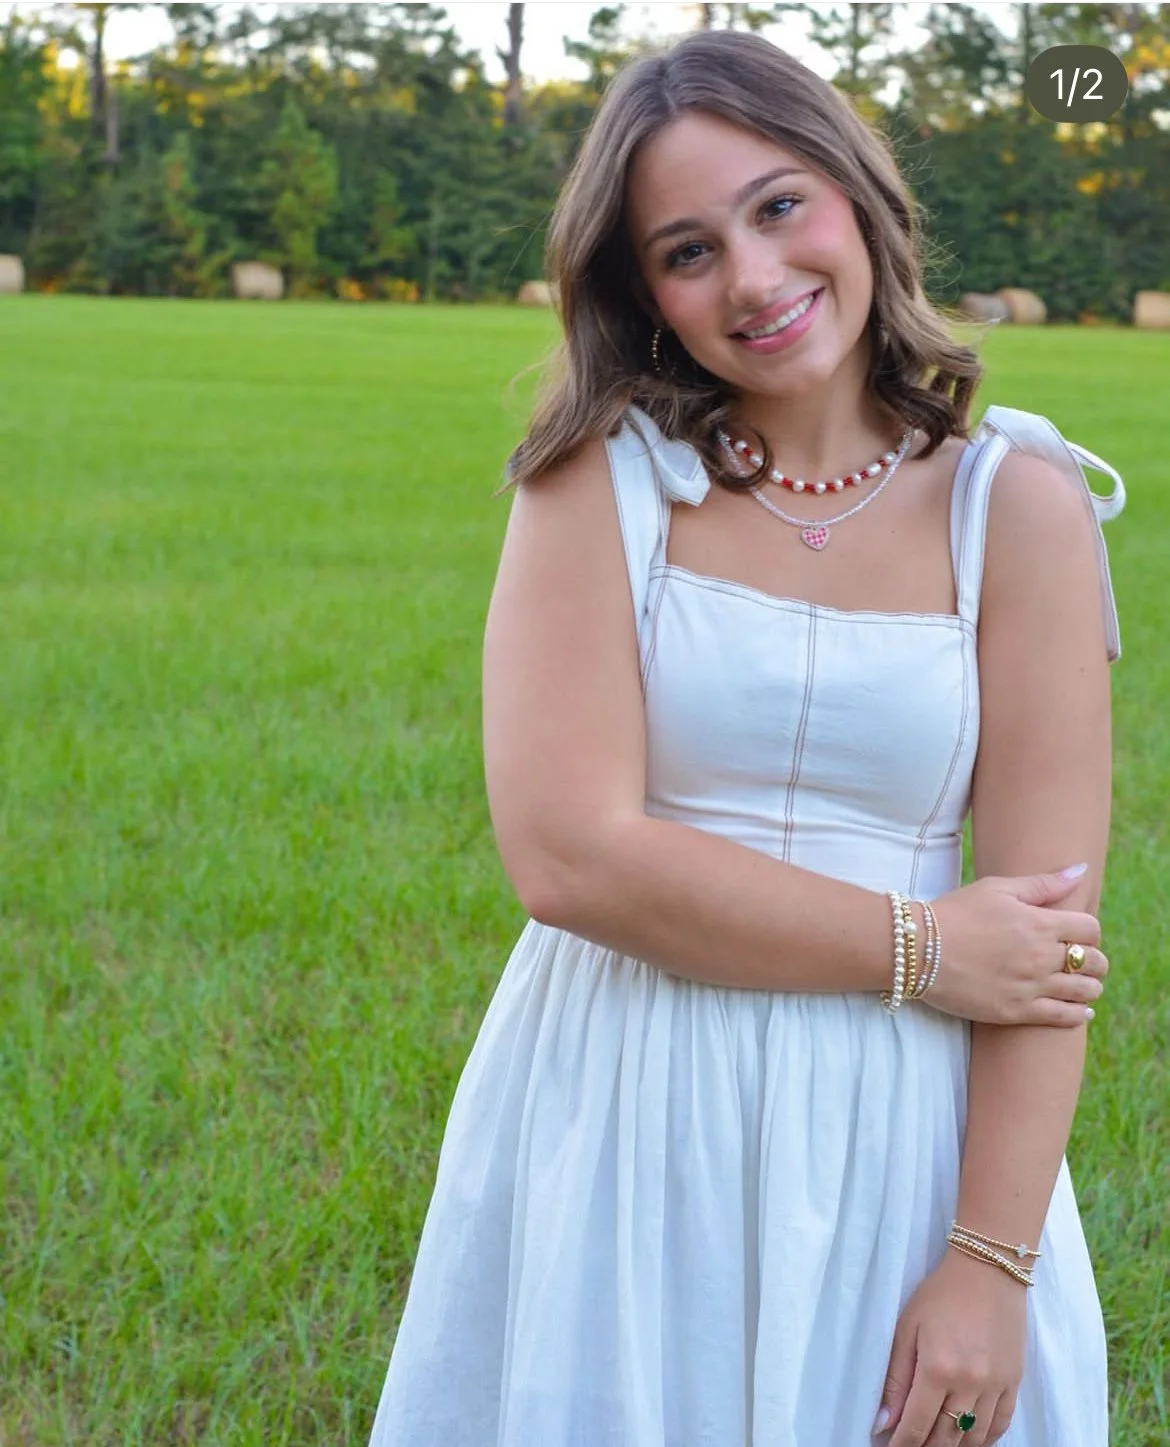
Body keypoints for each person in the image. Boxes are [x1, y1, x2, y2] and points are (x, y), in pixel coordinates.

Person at [367, 29, 1126, 1447]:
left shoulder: (1014, 503)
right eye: (689, 248)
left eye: (779, 206)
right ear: (641, 289)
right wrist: (924, 943)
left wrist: (988, 1261)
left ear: (853, 193)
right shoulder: (599, 482)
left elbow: (1046, 940)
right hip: (621, 1100)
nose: (757, 280)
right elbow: (570, 858)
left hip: (899, 1131)